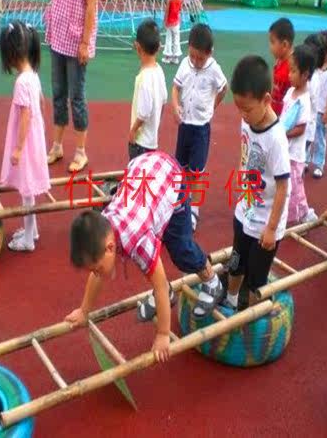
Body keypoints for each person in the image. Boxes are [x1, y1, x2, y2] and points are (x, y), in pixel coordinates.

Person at [65, 151, 224, 362]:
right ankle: (169, 296)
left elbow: (160, 284)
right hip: (145, 175)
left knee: (181, 250)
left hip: (171, 180)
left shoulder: (139, 242)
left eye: (97, 268)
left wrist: (163, 334)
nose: (96, 273)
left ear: (110, 248)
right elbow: (97, 275)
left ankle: (212, 280)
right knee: (155, 256)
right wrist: (84, 311)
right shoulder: (103, 226)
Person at [221, 55, 291, 312]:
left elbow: (283, 187)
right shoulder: (247, 120)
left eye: (247, 109)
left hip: (266, 224)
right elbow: (245, 154)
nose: (243, 114)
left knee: (257, 279)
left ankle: (251, 316)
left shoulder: (276, 139)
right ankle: (230, 300)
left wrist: (271, 229)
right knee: (236, 262)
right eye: (238, 107)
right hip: (245, 210)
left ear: (266, 100)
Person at [45, 0, 101, 173]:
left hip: (76, 38)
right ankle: (57, 146)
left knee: (76, 97)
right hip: (58, 34)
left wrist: (85, 43)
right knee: (58, 93)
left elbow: (91, 6)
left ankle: (80, 151)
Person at [0, 21, 50, 251]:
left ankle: (29, 239)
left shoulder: (21, 82)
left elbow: (26, 114)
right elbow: (41, 101)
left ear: (11, 54)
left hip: (26, 140)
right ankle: (33, 230)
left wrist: (19, 148)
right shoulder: (33, 75)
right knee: (28, 186)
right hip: (34, 137)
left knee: (27, 190)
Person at [172, 24, 227, 231]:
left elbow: (223, 88)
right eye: (192, 56)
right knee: (181, 167)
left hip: (201, 128)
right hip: (184, 125)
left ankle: (194, 209)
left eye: (200, 58)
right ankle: (180, 201)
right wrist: (175, 106)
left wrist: (212, 106)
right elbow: (176, 87)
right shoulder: (185, 64)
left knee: (196, 171)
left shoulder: (214, 69)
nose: (195, 61)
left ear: (209, 53)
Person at [279, 44, 318, 224]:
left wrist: (284, 134)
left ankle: (303, 213)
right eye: (290, 70)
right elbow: (284, 116)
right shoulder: (290, 92)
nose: (289, 75)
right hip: (284, 148)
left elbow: (301, 128)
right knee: (285, 182)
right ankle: (286, 211)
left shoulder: (304, 100)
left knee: (295, 185)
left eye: (293, 71)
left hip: (294, 153)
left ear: (305, 75)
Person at [128, 19, 167, 161]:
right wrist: (157, 122)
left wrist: (133, 130)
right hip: (152, 139)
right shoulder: (159, 71)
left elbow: (144, 112)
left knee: (137, 169)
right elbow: (164, 100)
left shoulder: (144, 78)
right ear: (159, 47)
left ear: (137, 46)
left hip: (141, 142)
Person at [307, 29, 327, 179]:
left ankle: (319, 164)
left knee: (319, 138)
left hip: (321, 111)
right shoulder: (316, 68)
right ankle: (305, 160)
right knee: (308, 135)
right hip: (311, 109)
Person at [303, 33, 325, 170]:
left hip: (305, 127)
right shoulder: (309, 75)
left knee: (296, 161)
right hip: (303, 126)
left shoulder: (314, 78)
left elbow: (311, 101)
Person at [268, 17, 294, 117]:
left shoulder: (293, 67)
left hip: (285, 116)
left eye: (272, 42)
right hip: (275, 113)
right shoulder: (279, 61)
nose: (270, 47)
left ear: (284, 45)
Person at [162, 0, 183, 65]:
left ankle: (167, 57)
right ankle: (175, 58)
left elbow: (167, 11)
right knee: (176, 39)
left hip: (170, 22)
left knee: (169, 39)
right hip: (176, 22)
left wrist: (165, 21)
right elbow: (179, 9)